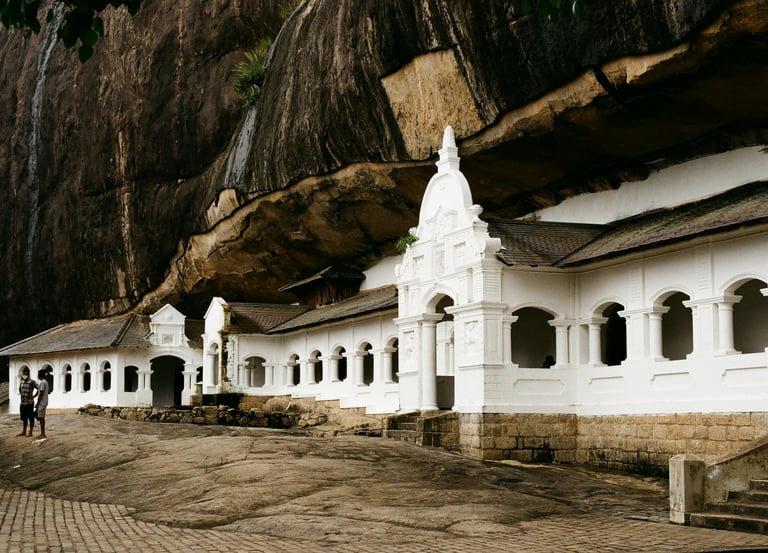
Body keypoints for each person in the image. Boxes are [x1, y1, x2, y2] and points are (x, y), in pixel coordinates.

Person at [16, 367, 38, 437]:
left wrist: (34, 396)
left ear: (28, 374)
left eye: (25, 374)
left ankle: (30, 432)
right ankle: (24, 431)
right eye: (23, 374)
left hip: (29, 403)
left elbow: (39, 388)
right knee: (24, 418)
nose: (24, 375)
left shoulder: (32, 382)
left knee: (31, 418)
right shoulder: (21, 381)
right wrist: (22, 394)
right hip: (22, 403)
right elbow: (20, 389)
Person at [35, 369, 49, 439]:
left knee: (41, 418)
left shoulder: (43, 382)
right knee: (41, 417)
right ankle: (42, 433)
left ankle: (43, 433)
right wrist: (34, 396)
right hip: (44, 401)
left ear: (40, 375)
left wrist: (38, 403)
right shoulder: (44, 382)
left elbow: (41, 393)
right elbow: (38, 391)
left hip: (42, 402)